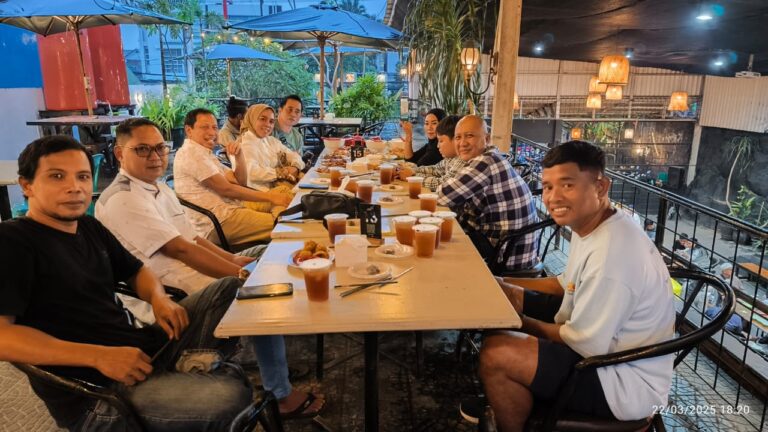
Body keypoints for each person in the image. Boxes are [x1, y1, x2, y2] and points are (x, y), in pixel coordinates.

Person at [0, 135, 254, 430]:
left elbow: (136, 271)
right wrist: (98, 356)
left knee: (229, 289)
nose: (75, 187)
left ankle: (186, 371)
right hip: (98, 394)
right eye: (57, 176)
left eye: (83, 176)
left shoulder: (88, 226)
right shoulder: (13, 242)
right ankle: (192, 373)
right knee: (232, 395)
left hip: (141, 349)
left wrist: (158, 299)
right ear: (27, 185)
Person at [95, 118, 325, 418]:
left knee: (264, 254)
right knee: (256, 289)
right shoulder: (123, 198)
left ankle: (271, 353)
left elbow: (192, 237)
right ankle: (281, 393)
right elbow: (181, 249)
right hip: (169, 298)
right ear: (119, 153)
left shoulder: (158, 188)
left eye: (160, 148)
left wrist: (235, 260)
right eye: (142, 149)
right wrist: (240, 273)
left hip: (190, 272)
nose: (155, 156)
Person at [477, 141, 675, 431]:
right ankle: (506, 399)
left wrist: (519, 322)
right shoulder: (595, 225)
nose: (553, 197)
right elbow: (564, 283)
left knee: (497, 353)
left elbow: (583, 342)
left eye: (567, 185)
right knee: (505, 300)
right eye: (547, 186)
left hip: (622, 381)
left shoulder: (612, 255)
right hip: (601, 351)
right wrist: (502, 283)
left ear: (600, 187)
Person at [173, 108, 292, 245]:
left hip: (233, 205)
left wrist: (239, 156)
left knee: (283, 194)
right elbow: (227, 189)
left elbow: (239, 181)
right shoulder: (192, 153)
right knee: (286, 224)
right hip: (219, 221)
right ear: (189, 130)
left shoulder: (204, 152)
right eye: (205, 127)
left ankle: (279, 217)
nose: (212, 132)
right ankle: (279, 222)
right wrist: (271, 197)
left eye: (214, 127)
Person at [437, 115, 539, 271]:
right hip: (515, 249)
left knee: (439, 246)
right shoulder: (492, 157)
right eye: (458, 137)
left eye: (469, 136)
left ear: (487, 139)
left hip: (505, 256)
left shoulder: (485, 162)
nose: (462, 143)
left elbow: (443, 196)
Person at [230, 103, 305, 195]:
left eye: (271, 121)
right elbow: (251, 172)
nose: (268, 124)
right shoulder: (244, 144)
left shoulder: (271, 140)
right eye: (262, 119)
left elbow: (293, 155)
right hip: (258, 194)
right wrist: (281, 173)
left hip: (279, 188)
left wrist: (295, 167)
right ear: (252, 119)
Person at [398, 115, 467, 191]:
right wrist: (412, 171)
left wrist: (412, 176)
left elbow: (442, 184)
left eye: (441, 141)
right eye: (426, 123)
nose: (438, 146)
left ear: (456, 140)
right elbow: (435, 169)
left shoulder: (461, 160)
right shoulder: (449, 158)